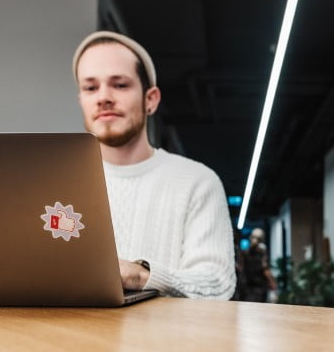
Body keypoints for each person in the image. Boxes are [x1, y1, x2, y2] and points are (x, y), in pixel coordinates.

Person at [72, 31, 235, 299]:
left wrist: (141, 275)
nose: (103, 97)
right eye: (91, 88)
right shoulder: (57, 183)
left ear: (151, 99)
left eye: (120, 85)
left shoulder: (197, 181)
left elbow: (217, 284)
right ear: (81, 101)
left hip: (164, 341)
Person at [241, 228, 277, 302]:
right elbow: (265, 268)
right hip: (259, 287)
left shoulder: (245, 253)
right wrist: (272, 281)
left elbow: (241, 267)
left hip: (247, 285)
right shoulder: (261, 253)